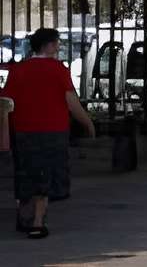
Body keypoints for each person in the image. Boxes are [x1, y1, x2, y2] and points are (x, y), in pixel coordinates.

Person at [0, 28, 97, 240]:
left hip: (23, 129)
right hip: (53, 129)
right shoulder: (58, 70)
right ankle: (38, 221)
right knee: (46, 174)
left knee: (26, 172)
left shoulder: (18, 70)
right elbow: (71, 102)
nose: (59, 47)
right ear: (50, 45)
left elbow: (6, 102)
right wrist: (87, 122)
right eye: (57, 43)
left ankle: (24, 215)